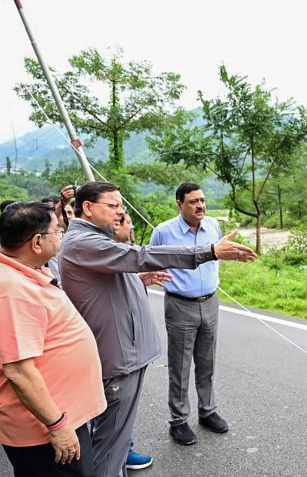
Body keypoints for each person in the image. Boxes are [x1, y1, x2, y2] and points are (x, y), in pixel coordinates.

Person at [59, 181, 256, 477]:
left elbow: (113, 276)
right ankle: (178, 420)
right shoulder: (85, 242)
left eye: (121, 206)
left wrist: (137, 279)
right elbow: (141, 255)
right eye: (113, 206)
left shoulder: (92, 240)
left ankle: (207, 411)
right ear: (87, 207)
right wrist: (210, 251)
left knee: (118, 439)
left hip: (198, 308)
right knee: (111, 443)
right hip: (124, 349)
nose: (120, 212)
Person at [0, 202, 106, 476]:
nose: (60, 237)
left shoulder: (24, 270)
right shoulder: (10, 292)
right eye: (56, 231)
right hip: (45, 429)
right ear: (36, 242)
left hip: (59, 417)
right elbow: (19, 371)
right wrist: (57, 425)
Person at [150, 183, 229, 446]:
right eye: (193, 201)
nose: (200, 206)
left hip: (210, 302)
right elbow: (150, 261)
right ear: (179, 205)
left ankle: (207, 411)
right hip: (180, 304)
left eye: (202, 200)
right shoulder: (164, 231)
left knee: (207, 362)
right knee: (180, 366)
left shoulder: (213, 226)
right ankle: (179, 420)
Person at [113, 212, 170, 471]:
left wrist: (137, 279)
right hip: (114, 350)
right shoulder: (102, 252)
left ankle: (123, 450)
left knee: (119, 410)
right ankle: (115, 455)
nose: (132, 226)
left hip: (128, 346)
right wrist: (211, 251)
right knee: (112, 409)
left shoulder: (116, 253)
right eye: (126, 221)